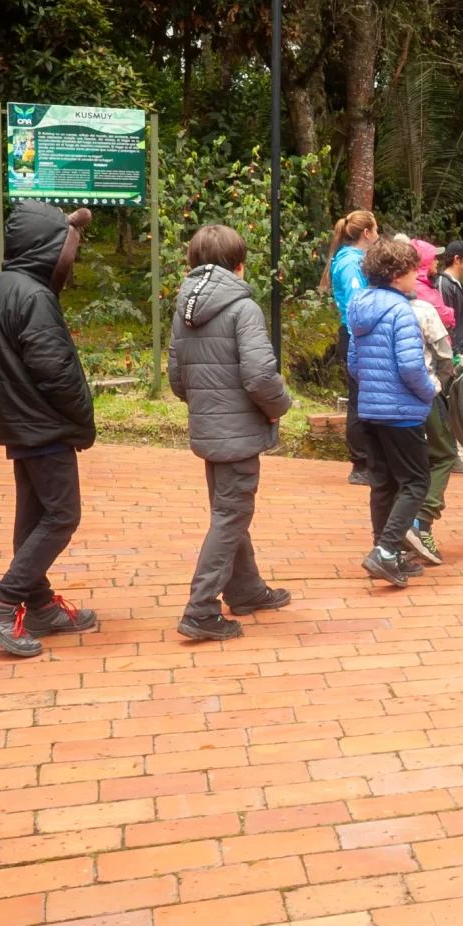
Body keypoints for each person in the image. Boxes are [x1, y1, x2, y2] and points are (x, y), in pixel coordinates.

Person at [0, 202, 101, 657]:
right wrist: (83, 420)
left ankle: (40, 604)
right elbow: (57, 370)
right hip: (44, 426)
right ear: (47, 247)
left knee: (33, 517)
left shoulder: (2, 288)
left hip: (19, 423)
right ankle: (2, 604)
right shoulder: (34, 296)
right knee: (62, 515)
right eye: (68, 249)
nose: (71, 258)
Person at [167, 224, 294, 642]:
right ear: (239, 265)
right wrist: (279, 408)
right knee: (230, 515)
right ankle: (200, 610)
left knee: (229, 511)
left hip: (210, 429)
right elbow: (260, 375)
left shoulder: (183, 308)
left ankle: (246, 590)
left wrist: (207, 406)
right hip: (238, 432)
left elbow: (176, 377)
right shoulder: (244, 309)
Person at [348, 236, 437, 587]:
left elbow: (354, 362)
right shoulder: (400, 309)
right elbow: (412, 366)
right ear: (397, 274)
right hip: (402, 411)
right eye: (414, 270)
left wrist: (373, 388)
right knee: (416, 482)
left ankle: (388, 552)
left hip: (370, 408)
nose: (417, 277)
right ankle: (385, 551)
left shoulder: (358, 305)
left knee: (382, 482)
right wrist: (429, 392)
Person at [405, 239, 458, 566]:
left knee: (401, 466)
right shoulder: (422, 301)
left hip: (379, 401)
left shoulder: (365, 302)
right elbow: (443, 356)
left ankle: (388, 541)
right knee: (443, 455)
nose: (437, 261)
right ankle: (420, 523)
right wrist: (438, 384)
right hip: (423, 393)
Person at [329, 211, 379, 485]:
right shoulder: (350, 263)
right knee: (359, 398)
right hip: (356, 335)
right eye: (376, 229)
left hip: (361, 334)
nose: (379, 235)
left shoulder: (357, 259)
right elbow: (356, 304)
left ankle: (369, 459)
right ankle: (360, 463)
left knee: (366, 397)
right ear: (366, 233)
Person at [435, 240, 463, 356]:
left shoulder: (456, 283)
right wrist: (456, 354)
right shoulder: (444, 284)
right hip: (456, 354)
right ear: (457, 259)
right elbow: (445, 324)